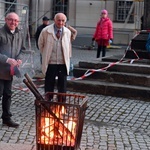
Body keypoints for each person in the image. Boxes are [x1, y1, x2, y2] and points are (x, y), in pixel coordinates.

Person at [38, 13, 72, 102]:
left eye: (63, 20)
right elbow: (40, 44)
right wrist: (46, 54)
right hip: (50, 62)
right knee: (49, 84)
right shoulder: (46, 31)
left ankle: (61, 104)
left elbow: (69, 46)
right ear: (54, 20)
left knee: (62, 85)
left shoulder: (67, 32)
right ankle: (48, 102)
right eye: (58, 20)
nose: (60, 22)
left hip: (62, 62)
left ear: (65, 22)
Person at [0, 12, 26, 127]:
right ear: (6, 20)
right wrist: (7, 59)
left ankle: (6, 118)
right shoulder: (0, 33)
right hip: (0, 70)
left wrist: (19, 59)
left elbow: (22, 50)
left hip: (10, 72)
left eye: (16, 21)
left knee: (8, 94)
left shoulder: (19, 34)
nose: (13, 23)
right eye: (11, 20)